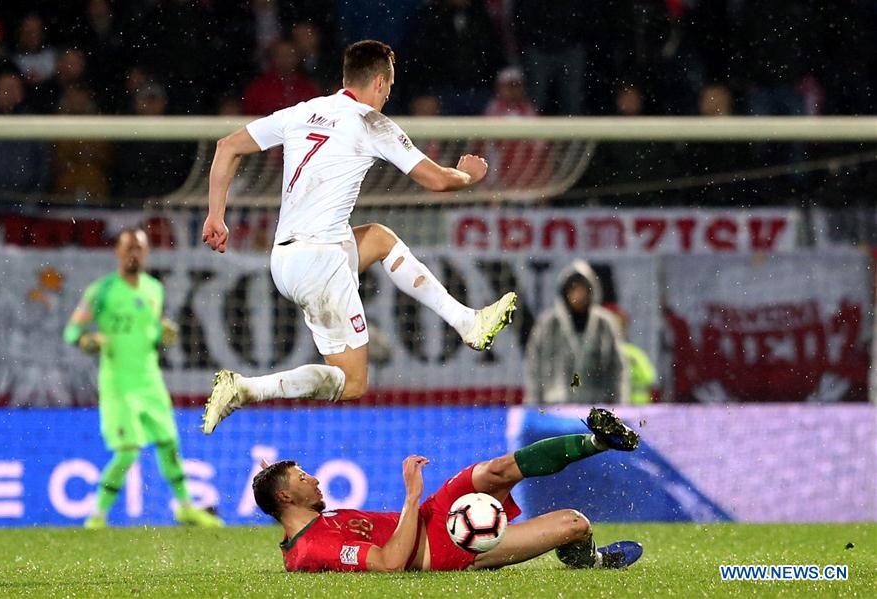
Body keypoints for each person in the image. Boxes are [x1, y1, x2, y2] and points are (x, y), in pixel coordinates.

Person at [201, 40, 516, 433]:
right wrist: (469, 174)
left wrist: (217, 216)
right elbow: (435, 180)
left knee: (380, 238)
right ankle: (246, 389)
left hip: (283, 259)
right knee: (352, 384)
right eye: (390, 86)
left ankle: (467, 321)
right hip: (320, 261)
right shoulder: (370, 121)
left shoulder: (304, 111)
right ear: (381, 83)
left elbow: (227, 147)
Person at [253, 407, 642, 572]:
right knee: (574, 523)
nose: (315, 479)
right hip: (446, 548)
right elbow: (389, 563)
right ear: (285, 498)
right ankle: (589, 561)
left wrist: (271, 480)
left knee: (498, 469)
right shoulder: (311, 547)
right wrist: (410, 495)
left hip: (435, 514)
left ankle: (600, 442)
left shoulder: (313, 520)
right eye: (303, 479)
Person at [63, 229, 223, 529]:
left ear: (146, 253)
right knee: (127, 452)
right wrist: (87, 340)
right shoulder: (102, 291)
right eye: (128, 248)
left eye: (139, 248)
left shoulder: (153, 289)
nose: (133, 253)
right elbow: (71, 331)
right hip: (118, 384)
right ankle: (97, 516)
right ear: (118, 253)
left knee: (168, 442)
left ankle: (186, 507)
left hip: (150, 380)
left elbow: (149, 335)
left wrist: (164, 334)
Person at [524, 260, 627, 405]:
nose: (578, 295)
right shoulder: (548, 324)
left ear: (591, 291)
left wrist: (619, 405)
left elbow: (617, 369)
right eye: (573, 290)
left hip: (596, 406)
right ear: (564, 292)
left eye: (582, 290)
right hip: (555, 407)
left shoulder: (604, 324)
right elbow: (534, 368)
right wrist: (533, 405)